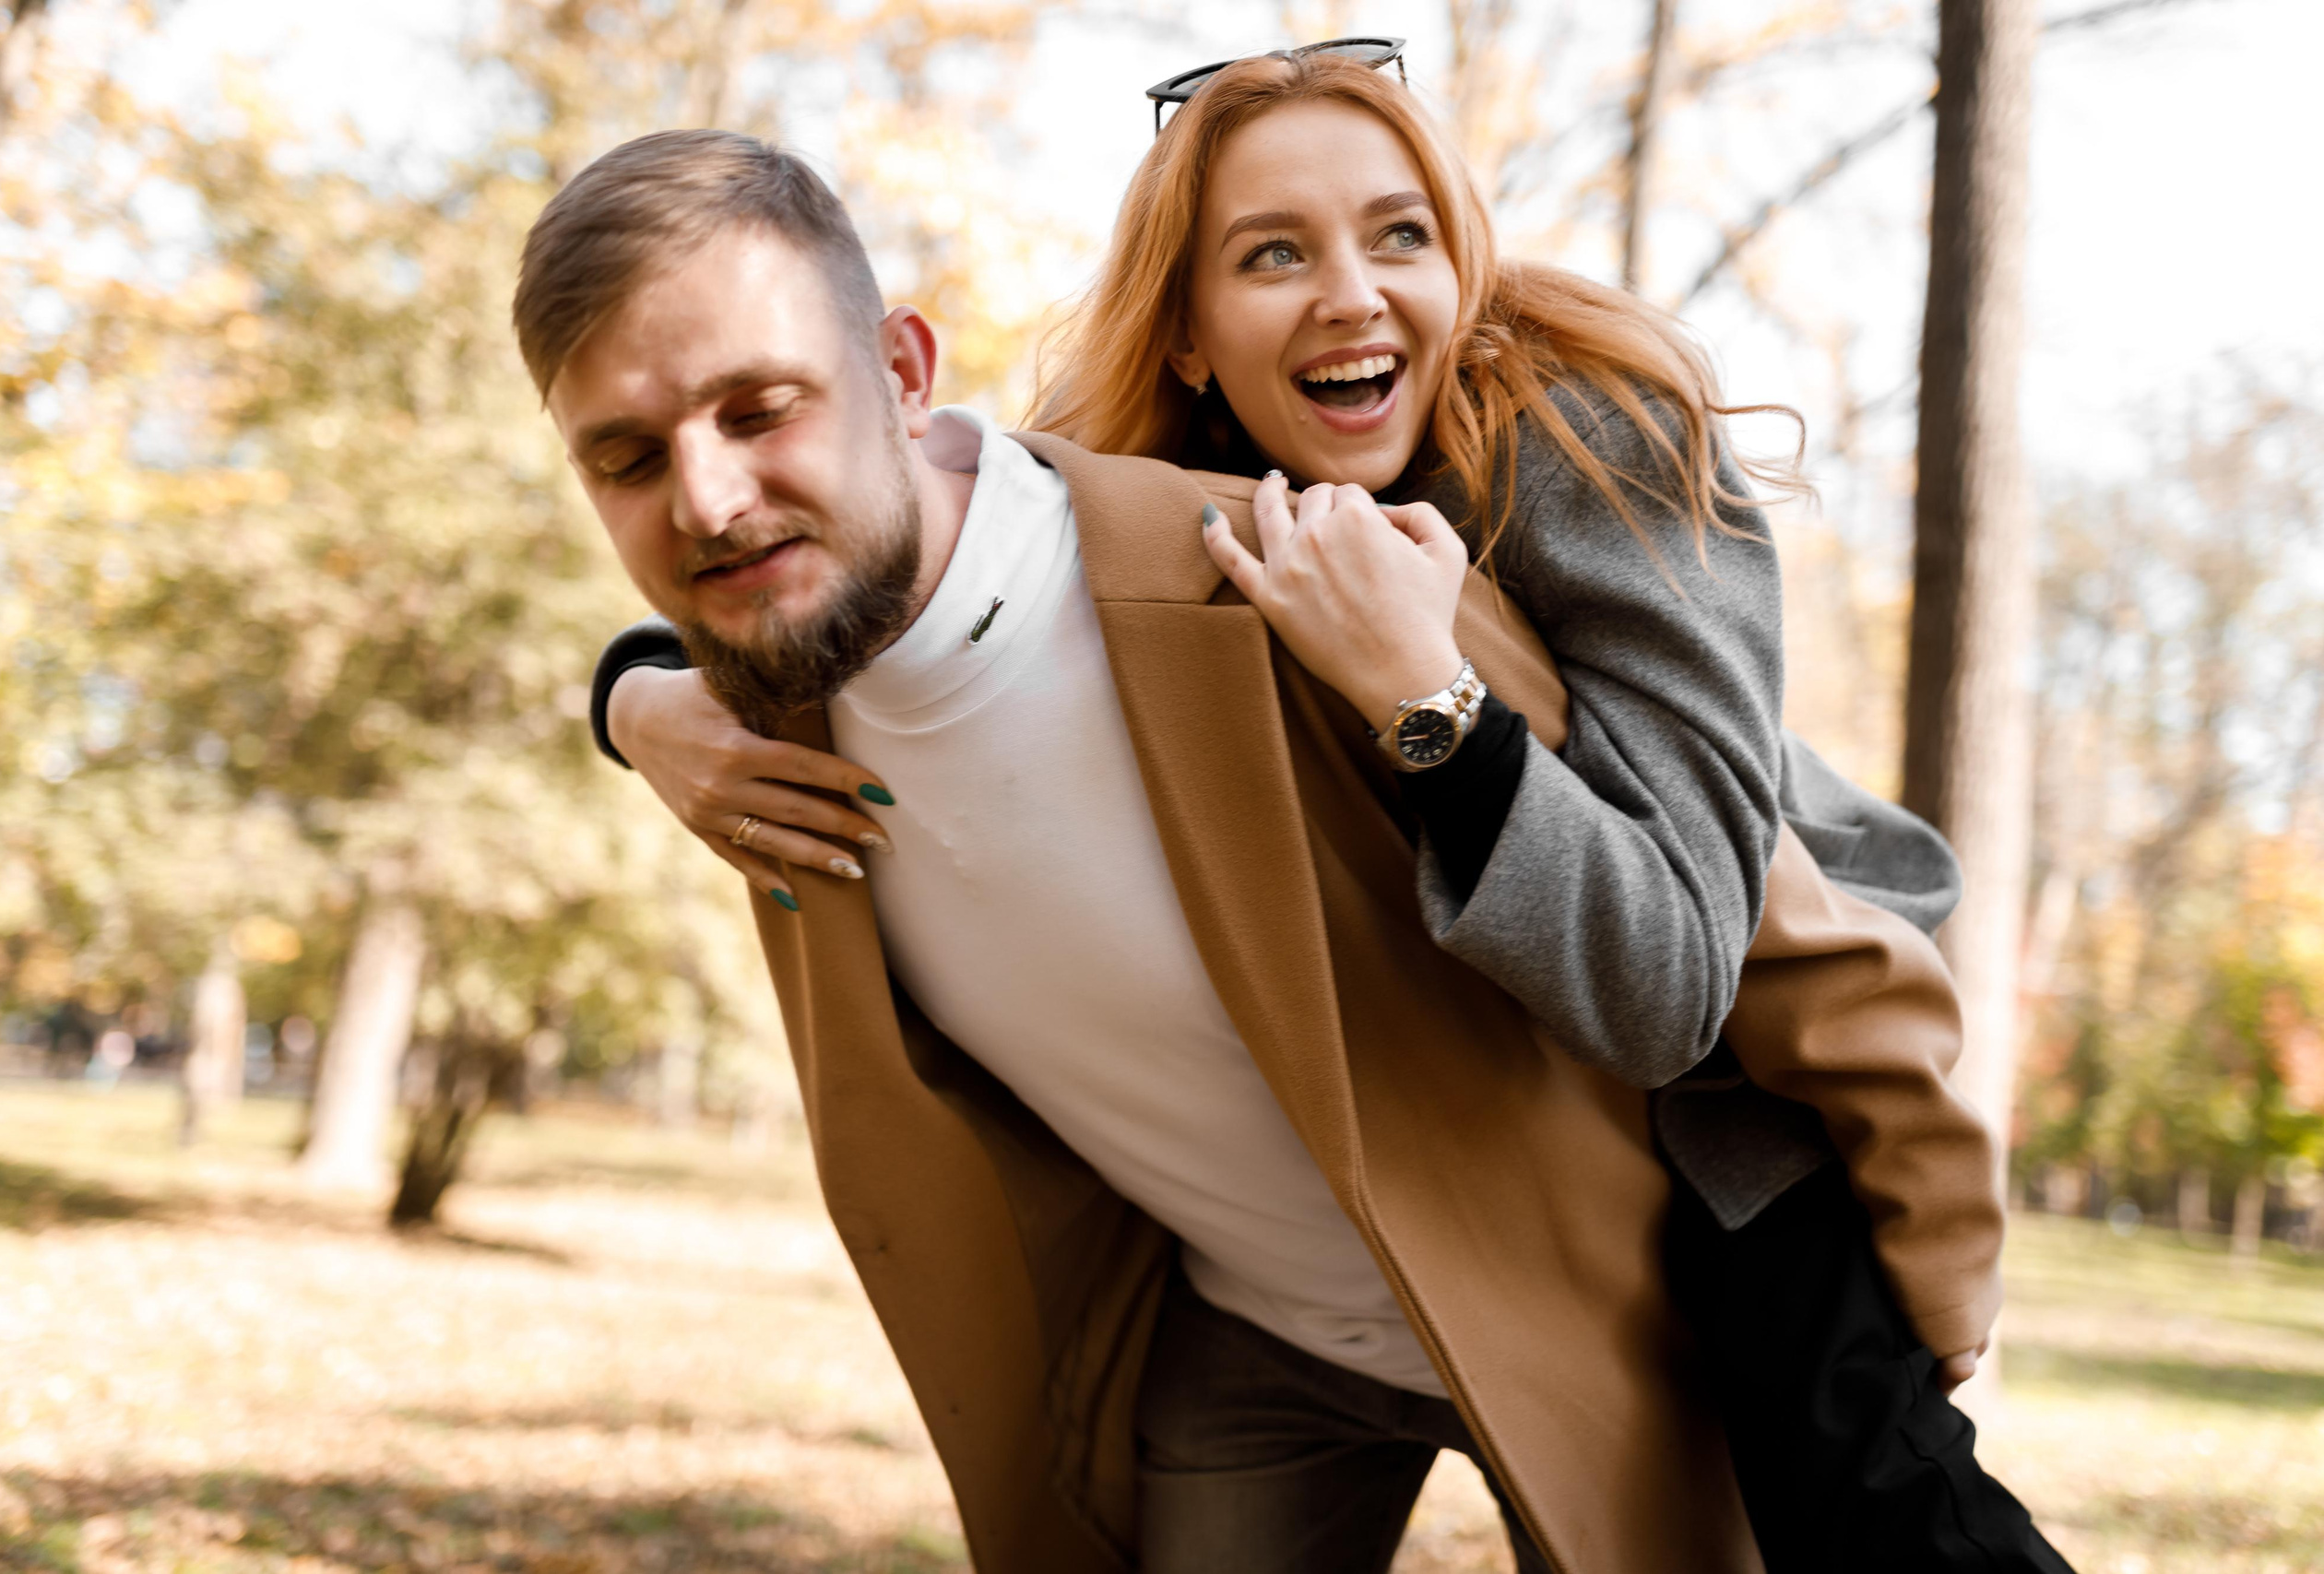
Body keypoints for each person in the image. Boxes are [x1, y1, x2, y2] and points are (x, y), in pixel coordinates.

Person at [517, 105, 2022, 1574]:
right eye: (629, 460)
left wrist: (1940, 1276)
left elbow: (1765, 943)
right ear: (1191, 336)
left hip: (1640, 1271)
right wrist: (632, 696)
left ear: (903, 370)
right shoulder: (774, 706)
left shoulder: (1394, 571)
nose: (708, 497)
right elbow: (832, 571)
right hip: (1259, 1338)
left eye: (763, 407)